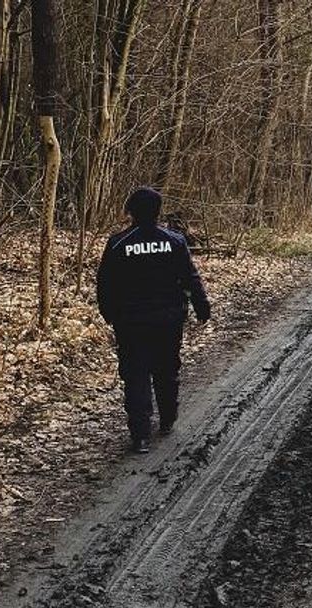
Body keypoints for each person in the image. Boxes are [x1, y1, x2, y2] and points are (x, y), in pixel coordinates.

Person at [97, 186, 211, 454]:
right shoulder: (174, 241)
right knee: (167, 369)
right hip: (168, 320)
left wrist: (109, 312)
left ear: (131, 211)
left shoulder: (118, 243)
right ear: (158, 211)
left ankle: (140, 436)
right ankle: (168, 419)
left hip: (131, 322)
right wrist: (201, 305)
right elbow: (190, 276)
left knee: (135, 374)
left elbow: (105, 283)